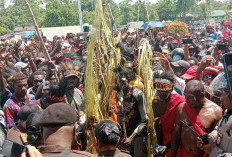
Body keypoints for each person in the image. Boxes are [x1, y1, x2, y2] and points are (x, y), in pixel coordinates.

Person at [171, 80, 222, 157]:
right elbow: (176, 133)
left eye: (190, 97)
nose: (187, 100)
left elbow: (219, 140)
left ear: (201, 95)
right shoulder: (181, 108)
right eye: (185, 96)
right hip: (184, 154)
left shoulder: (216, 111)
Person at [197, 73, 232, 156]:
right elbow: (220, 129)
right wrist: (210, 139)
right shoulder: (228, 111)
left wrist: (214, 151)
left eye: (223, 95)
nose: (221, 99)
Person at [152, 71, 185, 157]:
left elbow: (181, 130)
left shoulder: (180, 102)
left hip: (178, 145)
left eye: (164, 92)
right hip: (163, 143)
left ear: (171, 88)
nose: (161, 95)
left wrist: (166, 146)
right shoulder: (156, 101)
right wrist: (158, 146)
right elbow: (157, 126)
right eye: (159, 92)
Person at [117, 67, 148, 157]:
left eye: (122, 81)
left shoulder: (138, 95)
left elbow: (144, 120)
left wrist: (131, 138)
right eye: (119, 81)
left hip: (137, 137)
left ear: (129, 80)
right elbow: (121, 115)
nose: (121, 84)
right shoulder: (120, 94)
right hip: (124, 137)